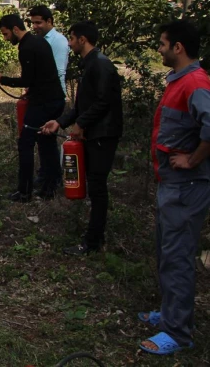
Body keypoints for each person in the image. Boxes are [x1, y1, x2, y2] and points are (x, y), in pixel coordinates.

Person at [136, 20, 210, 356]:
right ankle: (169, 314)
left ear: (178, 47)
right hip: (172, 184)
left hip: (186, 186)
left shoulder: (195, 82)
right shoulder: (179, 81)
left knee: (178, 257)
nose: (160, 49)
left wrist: (193, 160)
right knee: (168, 252)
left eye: (163, 44)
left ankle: (178, 333)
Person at [41, 21, 122, 255]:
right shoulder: (91, 64)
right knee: (93, 186)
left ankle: (93, 242)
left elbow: (103, 103)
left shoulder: (101, 66)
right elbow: (82, 105)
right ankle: (93, 236)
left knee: (97, 188)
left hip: (102, 136)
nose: (69, 43)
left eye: (73, 38)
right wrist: (61, 122)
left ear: (83, 40)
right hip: (95, 133)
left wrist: (82, 124)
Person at [0, 13, 65, 202]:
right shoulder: (38, 42)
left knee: (26, 144)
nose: (5, 39)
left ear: (15, 29)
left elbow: (27, 79)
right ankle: (49, 188)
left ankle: (25, 191)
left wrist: (1, 79)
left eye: (6, 34)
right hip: (53, 100)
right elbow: (40, 76)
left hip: (44, 104)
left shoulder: (27, 47)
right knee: (47, 143)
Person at [29, 5, 70, 192]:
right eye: (33, 23)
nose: (35, 26)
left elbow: (58, 71)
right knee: (42, 139)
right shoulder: (40, 40)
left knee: (47, 138)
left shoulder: (58, 41)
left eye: (39, 23)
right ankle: (46, 174)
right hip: (42, 95)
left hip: (52, 97)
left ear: (49, 22)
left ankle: (52, 181)